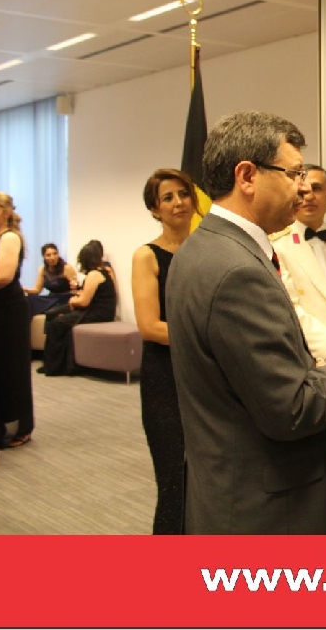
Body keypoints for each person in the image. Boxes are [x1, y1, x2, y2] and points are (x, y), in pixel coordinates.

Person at [166, 110, 326, 534]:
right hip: (268, 510)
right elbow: (292, 408)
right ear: (247, 176)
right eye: (293, 173)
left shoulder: (200, 249)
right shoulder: (238, 270)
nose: (303, 187)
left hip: (229, 490)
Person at [271, 163, 326, 533]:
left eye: (317, 189)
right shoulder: (276, 246)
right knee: (313, 478)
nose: (308, 196)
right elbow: (291, 310)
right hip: (311, 366)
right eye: (302, 189)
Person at [131, 168, 198, 535]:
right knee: (174, 479)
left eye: (183, 194)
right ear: (155, 209)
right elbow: (150, 327)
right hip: (165, 377)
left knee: (205, 481)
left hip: (204, 374)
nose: (178, 203)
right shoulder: (147, 256)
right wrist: (205, 336)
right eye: (167, 198)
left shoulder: (206, 248)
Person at [0, 192, 34, 449]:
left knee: (13, 368)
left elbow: (4, 276)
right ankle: (2, 424)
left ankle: (21, 427)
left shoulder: (10, 237)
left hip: (9, 311)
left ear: (6, 212)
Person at [40, 239, 117, 376]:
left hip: (97, 312)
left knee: (57, 323)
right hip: (100, 309)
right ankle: (52, 361)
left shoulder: (94, 274)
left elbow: (84, 302)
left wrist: (73, 301)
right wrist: (77, 295)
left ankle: (54, 365)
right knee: (53, 314)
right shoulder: (102, 272)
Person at [23, 243, 79, 316]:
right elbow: (37, 290)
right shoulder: (42, 270)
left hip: (65, 298)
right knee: (29, 299)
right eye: (48, 255)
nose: (52, 257)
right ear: (44, 257)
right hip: (51, 298)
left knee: (51, 312)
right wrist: (25, 290)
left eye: (55, 253)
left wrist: (75, 284)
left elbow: (76, 287)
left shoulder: (66, 268)